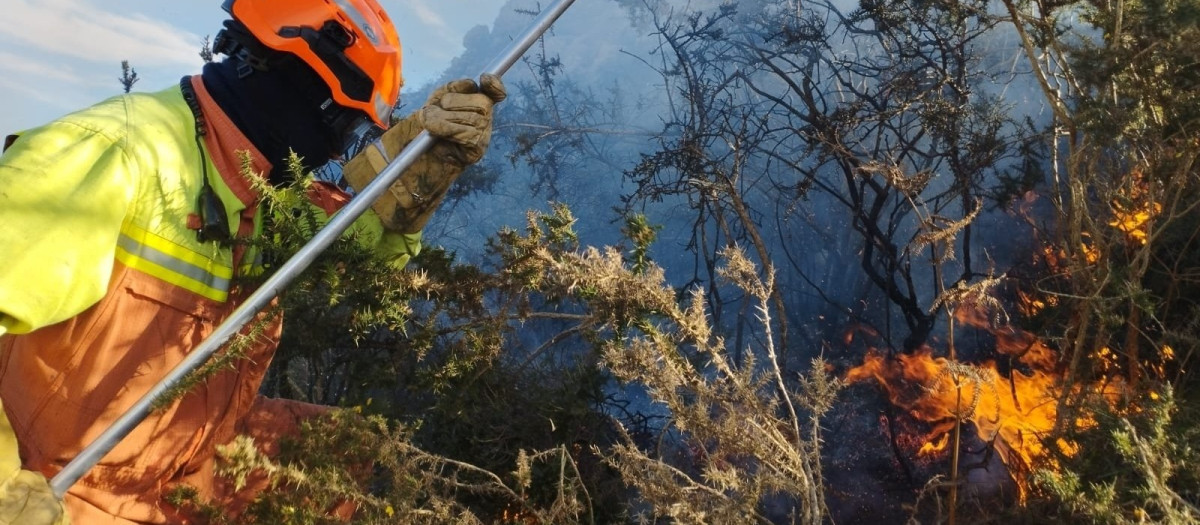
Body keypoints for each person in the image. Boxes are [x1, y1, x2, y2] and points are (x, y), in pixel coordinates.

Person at [0, 0, 506, 522]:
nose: (337, 152)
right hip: (66, 487)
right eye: (344, 128)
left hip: (187, 462)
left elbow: (359, 253)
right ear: (303, 89)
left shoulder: (257, 183)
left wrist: (423, 162)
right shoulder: (110, 152)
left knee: (342, 444)